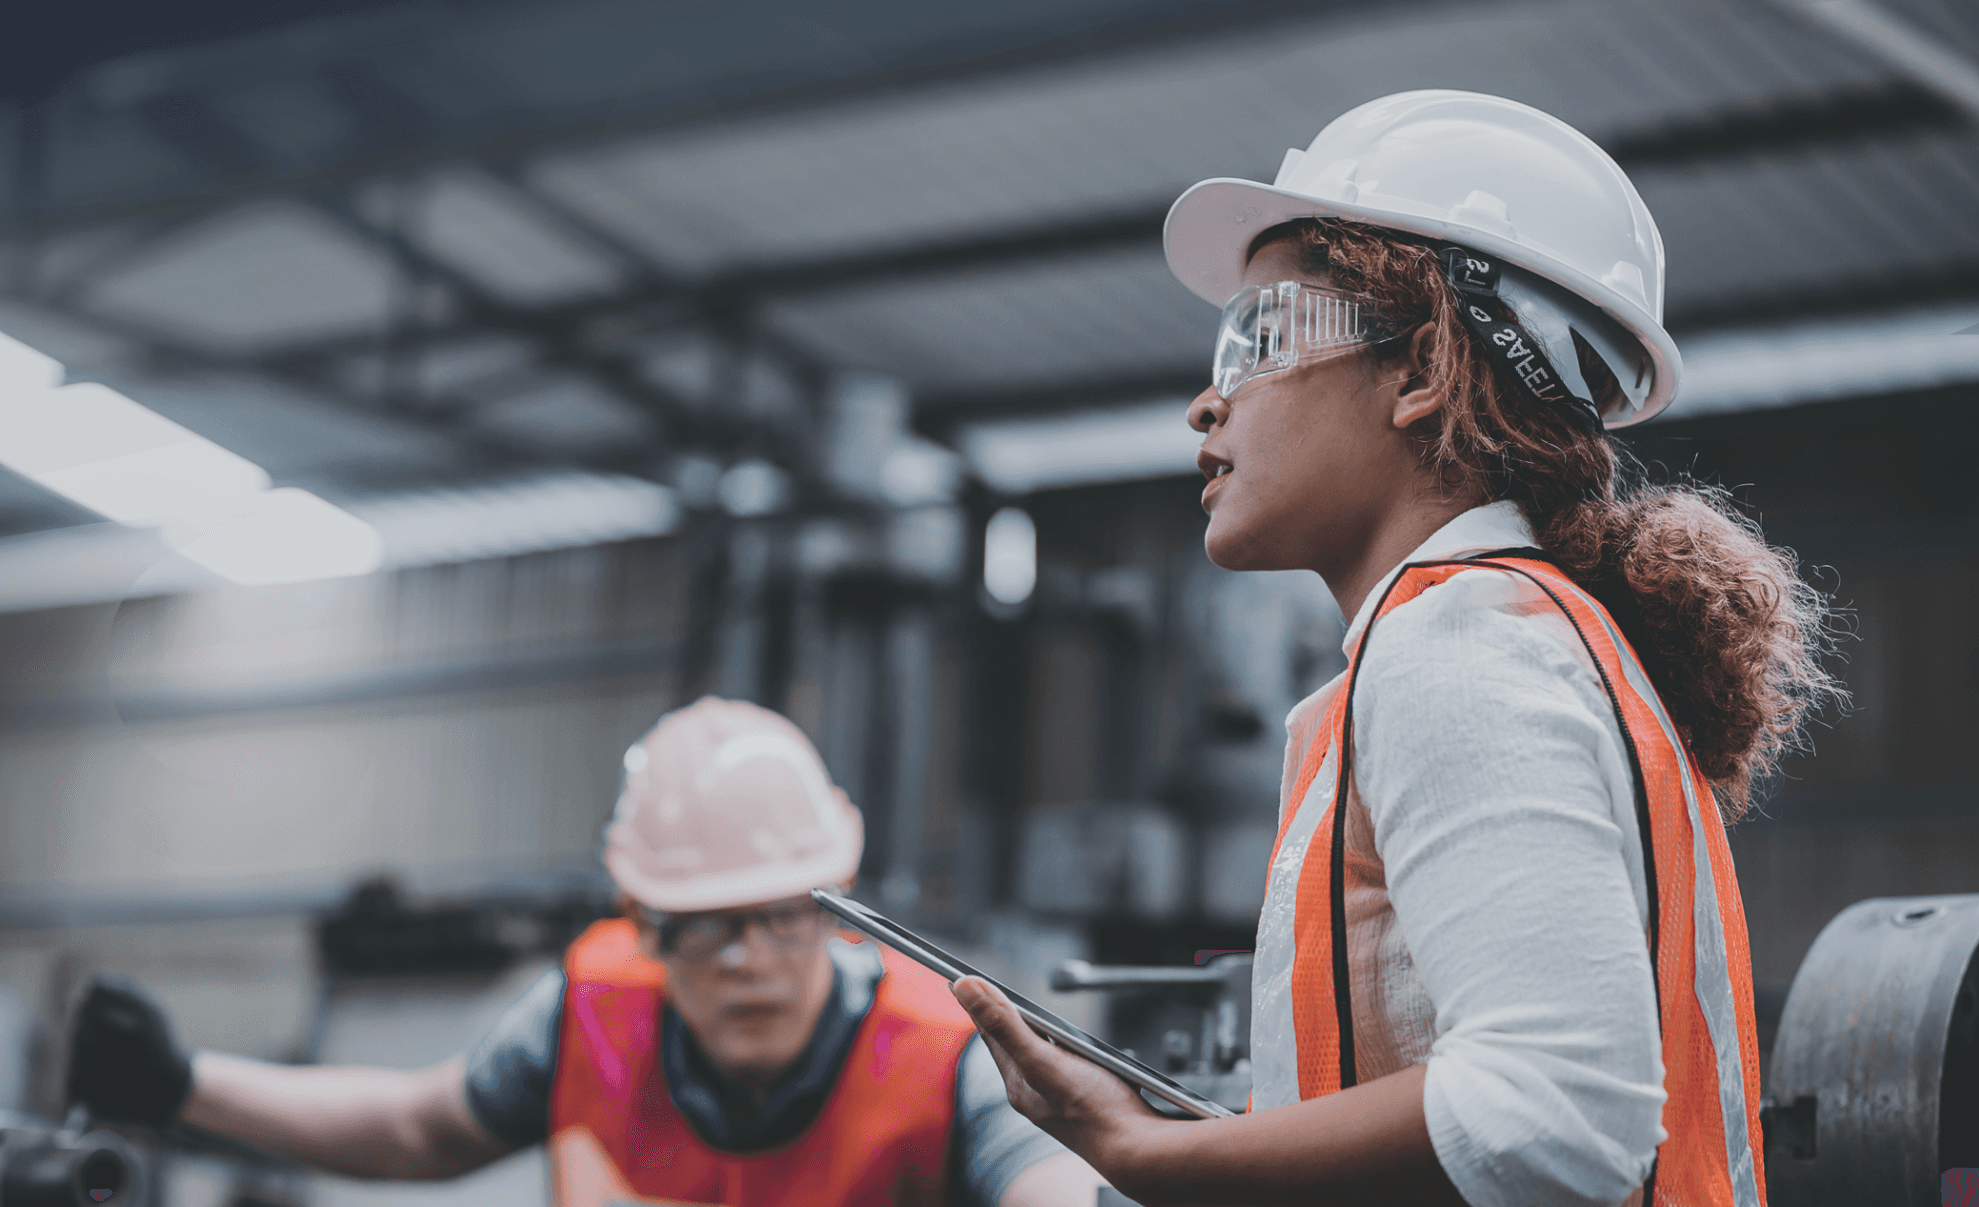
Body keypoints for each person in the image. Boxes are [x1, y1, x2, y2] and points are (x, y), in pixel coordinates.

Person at [953, 90, 1842, 1207]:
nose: (1206, 404)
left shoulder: (1459, 643)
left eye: (1261, 338)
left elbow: (1557, 1112)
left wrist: (1150, 1156)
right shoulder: (1518, 631)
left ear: (1421, 371)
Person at [67, 697, 1107, 1207]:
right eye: (705, 921)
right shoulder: (589, 1014)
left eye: (781, 913)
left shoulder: (942, 1054)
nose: (745, 956)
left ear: (836, 907)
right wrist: (179, 1083)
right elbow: (423, 1125)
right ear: (644, 921)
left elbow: (1048, 1180)